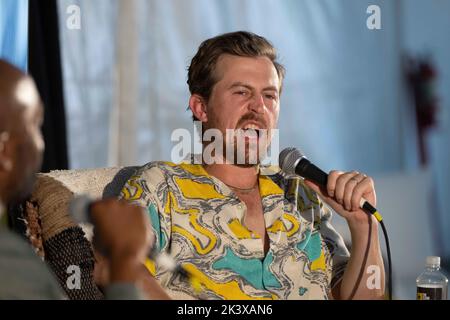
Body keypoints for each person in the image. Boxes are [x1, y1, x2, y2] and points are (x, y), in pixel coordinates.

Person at [119, 31, 385, 300]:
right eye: (242, 92)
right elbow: (120, 271)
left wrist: (364, 227)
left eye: (269, 96)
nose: (259, 107)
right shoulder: (161, 186)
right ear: (201, 107)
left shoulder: (298, 193)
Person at [0, 59, 153, 299]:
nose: (42, 145)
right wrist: (124, 259)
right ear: (4, 152)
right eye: (34, 125)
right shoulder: (12, 267)